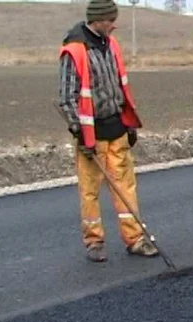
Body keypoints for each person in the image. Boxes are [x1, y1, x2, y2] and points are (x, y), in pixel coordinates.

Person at [58, 0, 158, 262]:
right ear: (98, 20)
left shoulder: (111, 45)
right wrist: (79, 133)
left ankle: (135, 239)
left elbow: (119, 86)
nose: (114, 25)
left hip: (117, 129)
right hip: (91, 135)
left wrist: (129, 123)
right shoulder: (75, 50)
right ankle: (94, 242)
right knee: (90, 191)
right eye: (111, 20)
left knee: (126, 188)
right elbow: (67, 99)